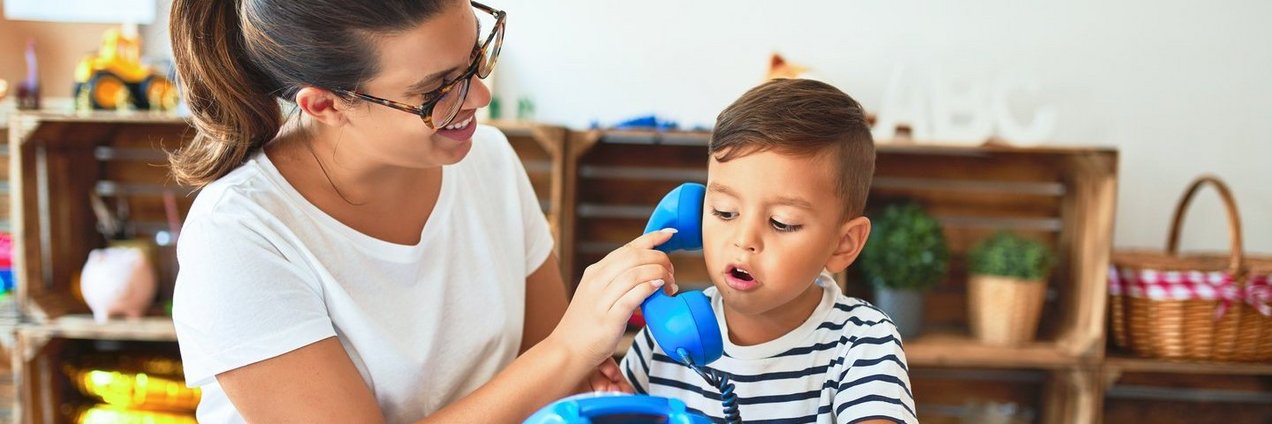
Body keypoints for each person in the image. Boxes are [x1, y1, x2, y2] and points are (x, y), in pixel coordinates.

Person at [168, 1, 675, 422]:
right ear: (326, 105)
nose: (479, 95)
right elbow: (554, 355)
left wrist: (579, 372)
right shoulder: (240, 236)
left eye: (477, 55)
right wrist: (567, 351)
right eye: (438, 89)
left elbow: (548, 377)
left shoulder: (490, 159)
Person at [621, 78, 917, 423]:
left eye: (782, 222)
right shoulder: (664, 340)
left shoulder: (863, 340)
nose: (745, 239)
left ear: (843, 243)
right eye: (724, 212)